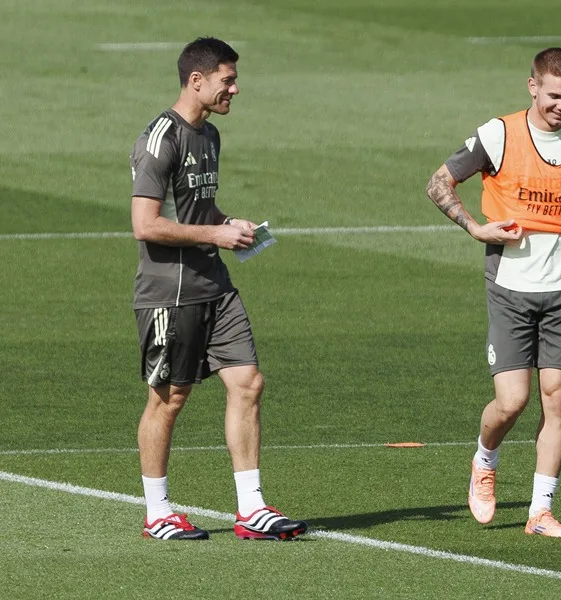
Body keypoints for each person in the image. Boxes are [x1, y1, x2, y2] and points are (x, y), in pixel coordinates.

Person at [425, 47, 561, 537]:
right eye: (554, 96)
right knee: (512, 402)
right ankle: (484, 459)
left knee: (556, 400)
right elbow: (438, 183)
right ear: (532, 86)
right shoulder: (500, 134)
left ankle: (540, 511)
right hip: (512, 286)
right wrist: (475, 228)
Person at [130, 37, 306, 541]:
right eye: (228, 80)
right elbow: (145, 224)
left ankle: (251, 508)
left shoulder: (209, 136)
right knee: (169, 398)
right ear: (197, 80)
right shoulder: (160, 138)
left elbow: (197, 214)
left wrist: (230, 225)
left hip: (215, 285)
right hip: (170, 293)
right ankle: (157, 512)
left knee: (248, 383)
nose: (235, 88)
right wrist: (214, 234)